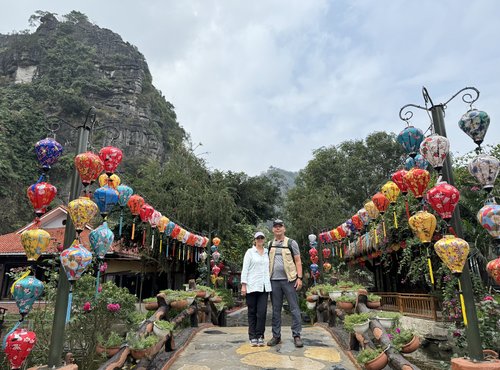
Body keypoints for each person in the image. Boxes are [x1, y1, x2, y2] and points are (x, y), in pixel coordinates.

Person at [267, 219, 304, 348]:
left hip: (290, 280)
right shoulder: (270, 244)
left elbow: (298, 261)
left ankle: (296, 335)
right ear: (272, 230)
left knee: (294, 308)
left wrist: (299, 278)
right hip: (274, 281)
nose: (278, 229)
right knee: (276, 310)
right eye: (275, 227)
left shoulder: (291, 243)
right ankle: (276, 336)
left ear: (284, 229)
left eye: (280, 226)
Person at [240, 231, 272, 347]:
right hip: (252, 286)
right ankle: (252, 336)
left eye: (261, 238)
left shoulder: (267, 253)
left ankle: (260, 335)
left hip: (264, 286)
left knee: (262, 312)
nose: (260, 240)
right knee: (252, 312)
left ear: (264, 239)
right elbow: (245, 269)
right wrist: (243, 285)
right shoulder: (250, 252)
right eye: (258, 238)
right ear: (254, 240)